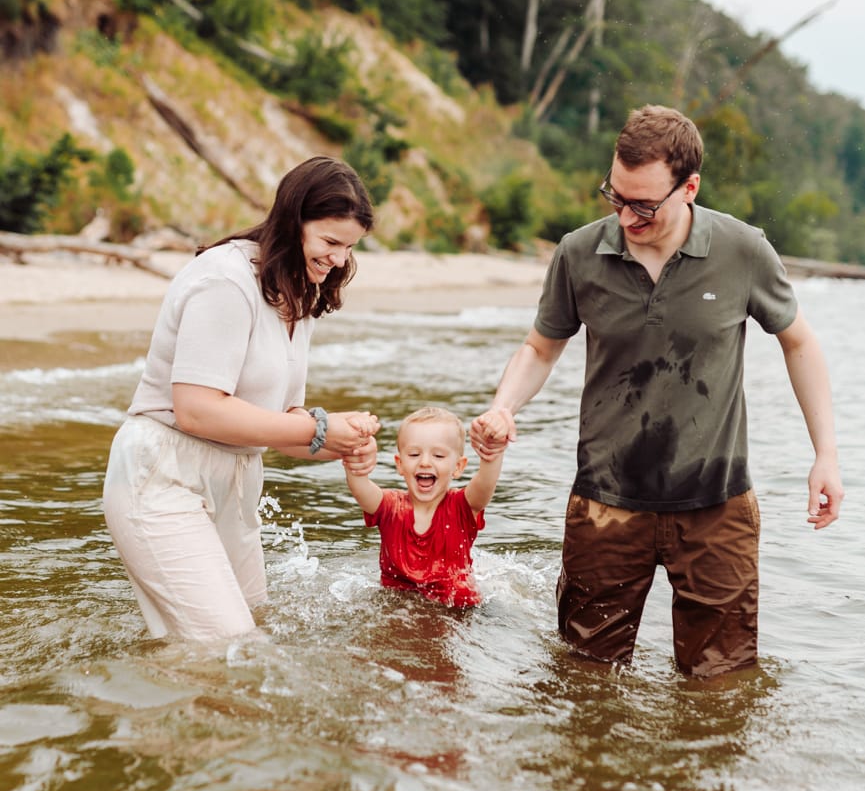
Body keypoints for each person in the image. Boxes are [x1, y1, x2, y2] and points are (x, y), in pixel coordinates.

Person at [471, 105, 844, 678]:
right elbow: (541, 348)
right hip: (605, 504)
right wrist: (503, 405)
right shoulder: (578, 253)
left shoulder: (743, 250)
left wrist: (826, 455)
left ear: (689, 187)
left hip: (716, 505)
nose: (625, 216)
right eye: (614, 196)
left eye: (643, 204)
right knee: (584, 677)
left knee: (721, 687)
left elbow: (799, 343)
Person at [103, 156, 380, 642]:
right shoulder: (225, 280)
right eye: (330, 242)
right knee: (230, 646)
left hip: (235, 480)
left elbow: (275, 424)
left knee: (252, 632)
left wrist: (340, 443)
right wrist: (316, 428)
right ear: (293, 221)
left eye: (350, 247)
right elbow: (197, 409)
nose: (339, 259)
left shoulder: (300, 294)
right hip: (162, 473)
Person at [344, 405, 505, 607]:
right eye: (414, 455)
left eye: (438, 456)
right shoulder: (389, 507)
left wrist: (492, 454)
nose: (425, 463)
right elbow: (360, 486)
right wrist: (354, 451)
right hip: (399, 605)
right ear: (400, 464)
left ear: (458, 467)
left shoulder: (462, 506)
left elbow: (484, 484)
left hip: (456, 611)